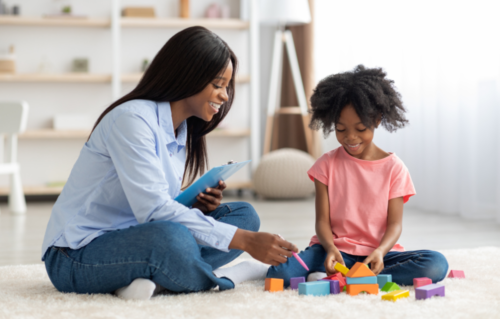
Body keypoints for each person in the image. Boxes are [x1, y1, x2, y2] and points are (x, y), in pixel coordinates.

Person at [41, 26, 298, 300]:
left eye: (226, 86)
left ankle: (151, 280)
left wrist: (195, 205)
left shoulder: (181, 130)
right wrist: (245, 242)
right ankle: (229, 277)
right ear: (188, 76)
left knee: (245, 216)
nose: (224, 96)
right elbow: (153, 211)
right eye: (218, 84)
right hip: (75, 254)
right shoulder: (131, 120)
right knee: (172, 240)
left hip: (138, 235)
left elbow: (156, 204)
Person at [264, 65, 449, 287]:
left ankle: (348, 278)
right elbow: (322, 221)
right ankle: (355, 278)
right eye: (341, 129)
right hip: (334, 251)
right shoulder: (326, 164)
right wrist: (331, 248)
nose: (350, 137)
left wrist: (381, 250)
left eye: (360, 129)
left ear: (378, 120)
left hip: (377, 255)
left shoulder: (395, 168)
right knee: (278, 275)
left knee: (436, 264)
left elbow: (395, 225)